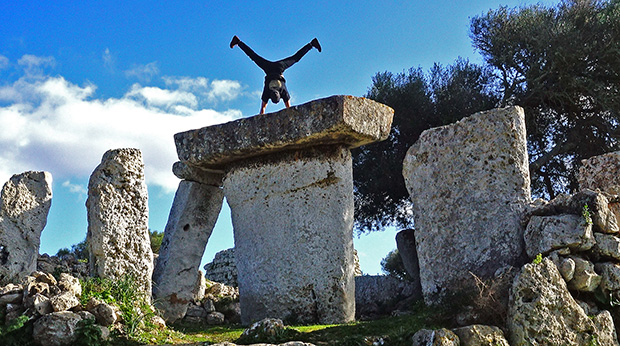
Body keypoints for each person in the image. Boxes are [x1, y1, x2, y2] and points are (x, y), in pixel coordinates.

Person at [230, 35, 321, 114]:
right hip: (271, 68)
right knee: (254, 56)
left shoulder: (282, 91)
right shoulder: (269, 92)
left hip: (278, 68)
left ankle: (312, 44)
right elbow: (263, 109)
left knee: (295, 58)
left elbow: (268, 109)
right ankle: (312, 44)